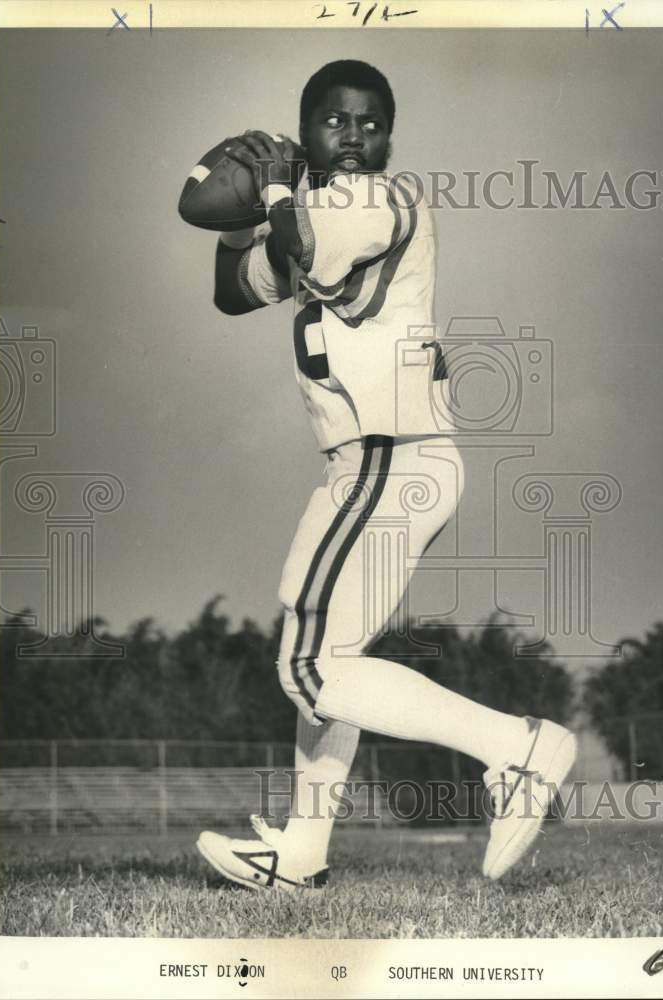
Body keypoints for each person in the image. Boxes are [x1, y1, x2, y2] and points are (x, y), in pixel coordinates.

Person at [192, 60, 576, 893]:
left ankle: (518, 749)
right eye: (335, 122)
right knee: (330, 666)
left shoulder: (377, 200)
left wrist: (269, 190)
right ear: (309, 130)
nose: (356, 136)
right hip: (379, 461)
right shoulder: (322, 206)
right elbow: (234, 293)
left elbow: (291, 238)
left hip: (387, 456)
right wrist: (239, 224)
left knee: (308, 666)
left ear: (390, 136)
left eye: (370, 122)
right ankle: (300, 854)